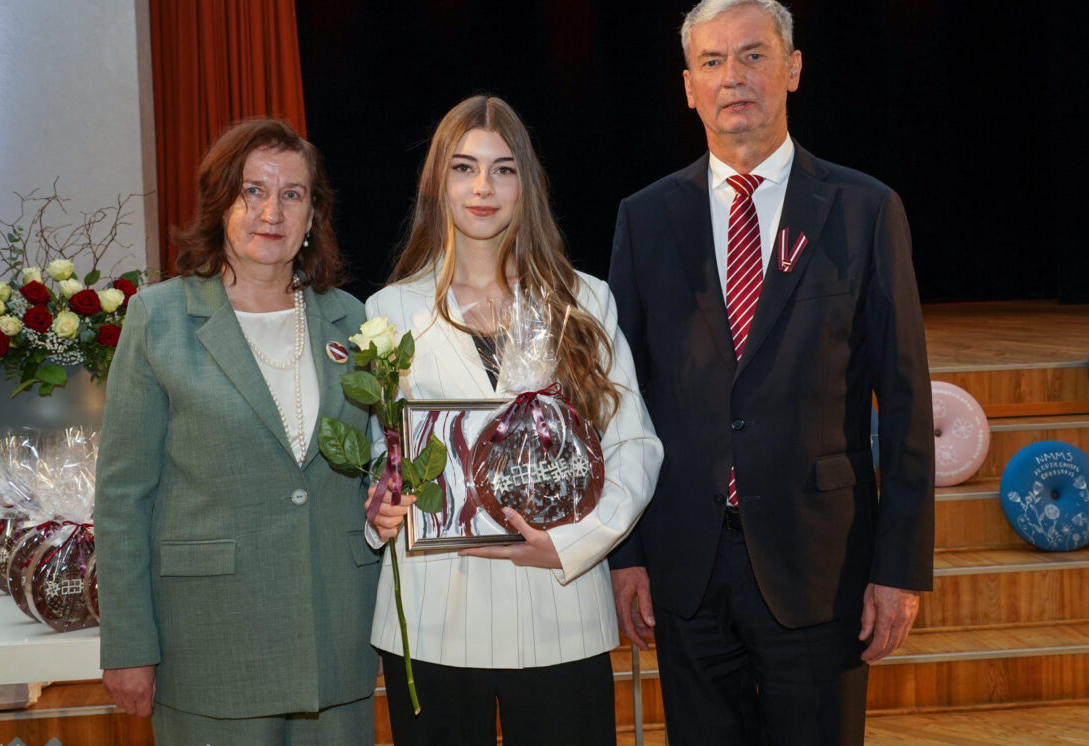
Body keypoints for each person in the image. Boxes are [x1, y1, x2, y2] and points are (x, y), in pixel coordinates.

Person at [606, 1, 935, 744]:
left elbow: (906, 403)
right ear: (688, 86)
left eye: (753, 55)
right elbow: (620, 401)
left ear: (792, 69)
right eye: (713, 61)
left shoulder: (865, 210)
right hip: (685, 568)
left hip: (822, 565)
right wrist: (625, 555)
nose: (734, 77)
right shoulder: (645, 218)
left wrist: (901, 568)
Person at [364, 95, 663, 745]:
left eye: (503, 169)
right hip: (434, 616)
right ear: (437, 183)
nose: (483, 187)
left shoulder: (584, 301)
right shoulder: (389, 311)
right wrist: (381, 504)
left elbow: (635, 444)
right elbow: (381, 457)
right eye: (464, 168)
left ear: (527, 185)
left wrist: (576, 542)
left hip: (559, 606)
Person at [93, 118, 378, 745]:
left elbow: (377, 467)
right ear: (221, 202)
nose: (271, 212)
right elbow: (122, 497)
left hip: (336, 636)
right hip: (209, 644)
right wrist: (128, 644)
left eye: (292, 194)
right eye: (253, 191)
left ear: (313, 216)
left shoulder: (354, 322)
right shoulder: (159, 319)